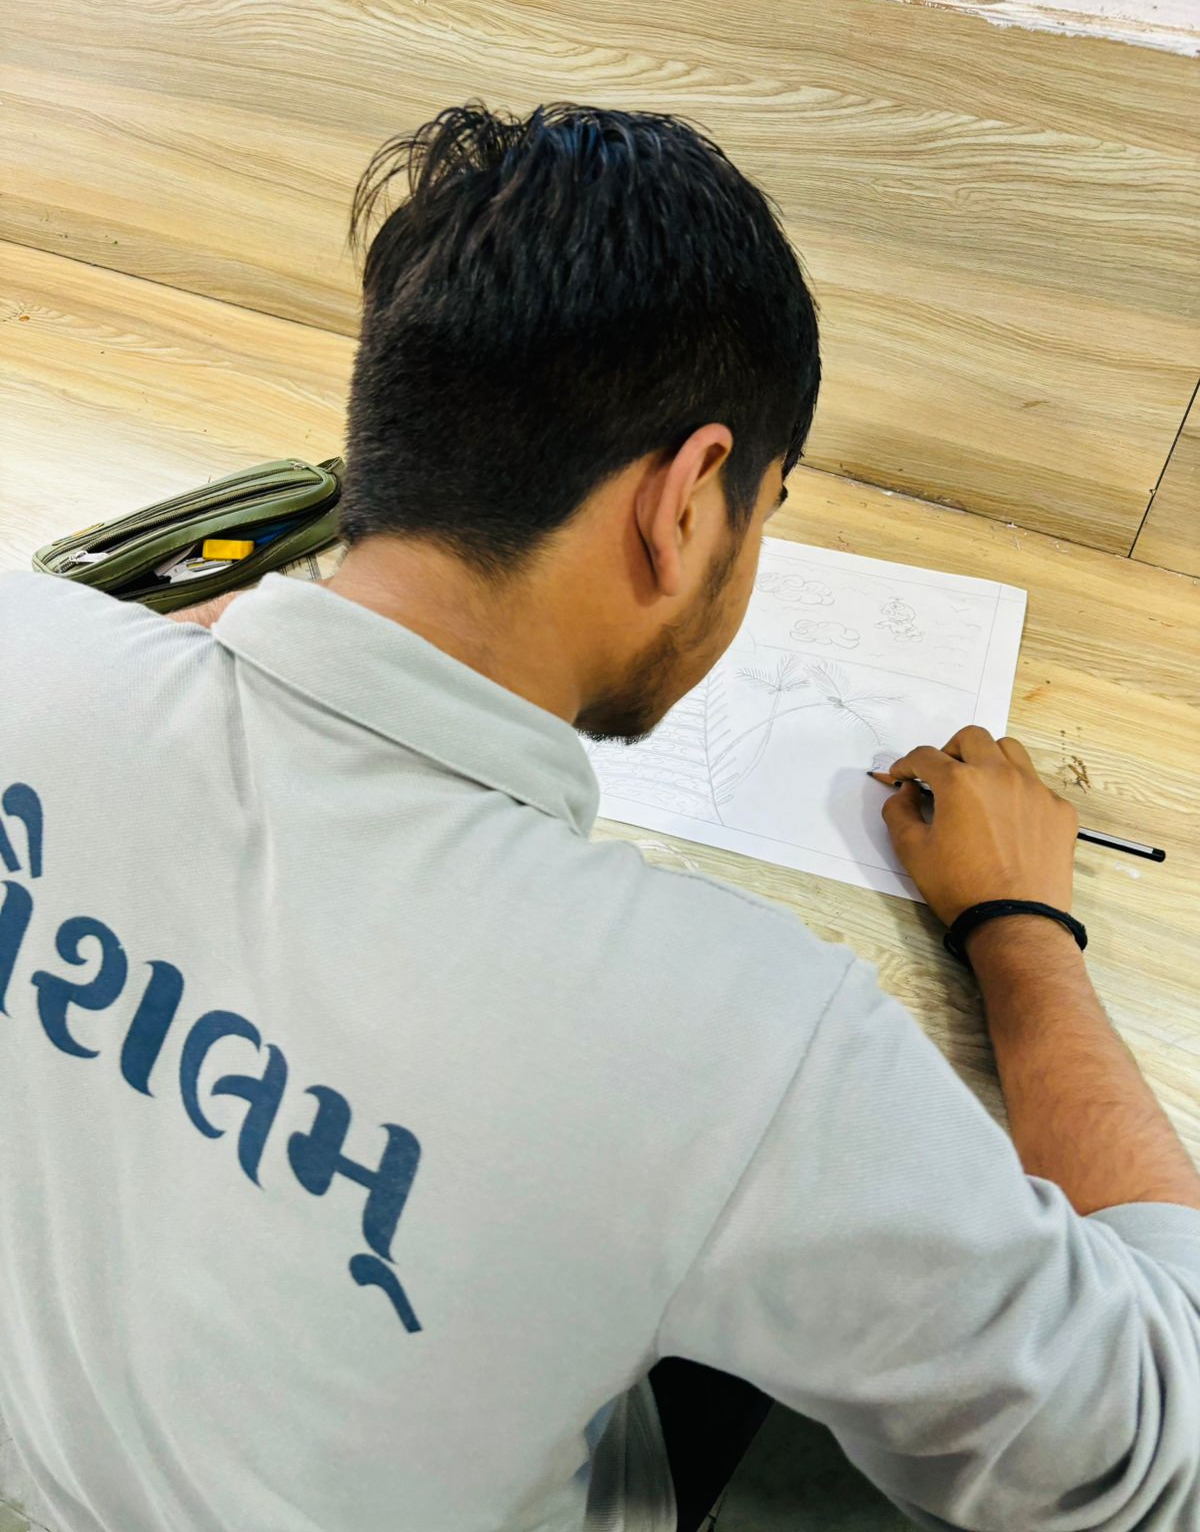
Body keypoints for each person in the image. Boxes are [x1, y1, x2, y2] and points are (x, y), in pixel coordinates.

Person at [0, 102, 1197, 1532]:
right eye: (766, 508)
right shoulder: (735, 1051)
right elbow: (1151, 1453)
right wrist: (1020, 926)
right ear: (684, 502)